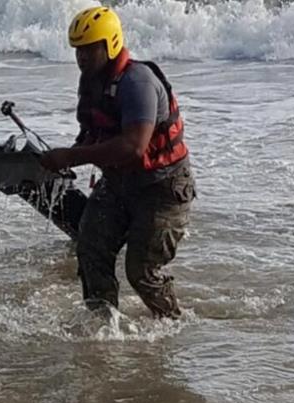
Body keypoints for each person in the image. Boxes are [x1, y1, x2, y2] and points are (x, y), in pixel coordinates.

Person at [40, 6, 196, 318]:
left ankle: (173, 323)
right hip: (118, 182)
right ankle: (103, 324)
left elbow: (133, 147)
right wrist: (59, 159)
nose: (82, 57)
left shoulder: (137, 83)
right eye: (78, 50)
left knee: (141, 271)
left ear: (110, 45)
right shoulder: (92, 82)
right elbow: (92, 135)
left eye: (89, 49)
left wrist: (70, 156)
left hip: (162, 187)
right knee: (90, 250)